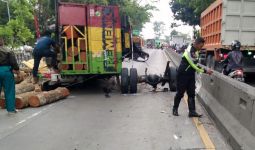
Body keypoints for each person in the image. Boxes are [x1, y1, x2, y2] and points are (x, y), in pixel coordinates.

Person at [172, 37, 213, 117]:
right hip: (183, 74)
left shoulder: (195, 51)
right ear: (197, 44)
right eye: (200, 46)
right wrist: (205, 71)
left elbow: (196, 64)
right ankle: (175, 109)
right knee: (180, 93)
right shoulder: (191, 51)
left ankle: (192, 112)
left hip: (190, 74)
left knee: (191, 93)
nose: (201, 48)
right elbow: (195, 65)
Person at [0, 38, 20, 114]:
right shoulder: (8, 50)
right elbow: (13, 62)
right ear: (2, 41)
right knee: (9, 90)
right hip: (6, 71)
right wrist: (18, 72)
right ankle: (11, 110)